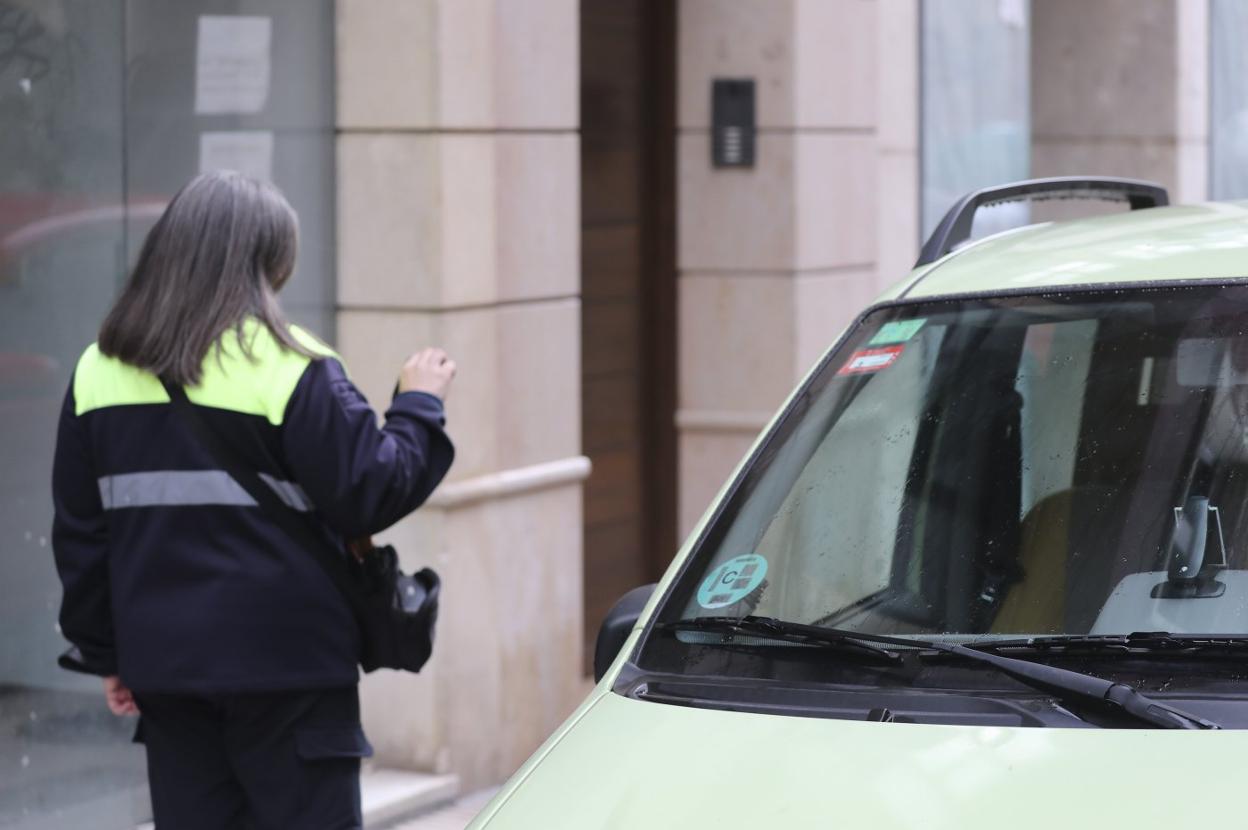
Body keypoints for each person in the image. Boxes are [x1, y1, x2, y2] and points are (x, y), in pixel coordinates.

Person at [50, 170, 456, 829]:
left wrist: (106, 654)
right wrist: (419, 403)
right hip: (292, 670)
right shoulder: (290, 365)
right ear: (267, 263)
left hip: (167, 670)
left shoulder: (98, 370)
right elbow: (372, 493)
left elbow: (82, 534)